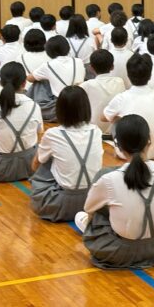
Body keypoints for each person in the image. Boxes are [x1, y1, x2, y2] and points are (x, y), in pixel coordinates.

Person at [75, 115, 154, 269]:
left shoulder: (109, 178)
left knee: (87, 215)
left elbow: (89, 209)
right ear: (149, 140)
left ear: (119, 146)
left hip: (118, 251)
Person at [30, 86, 104, 222]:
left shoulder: (53, 134)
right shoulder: (96, 131)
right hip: (92, 201)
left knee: (45, 159)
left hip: (59, 204)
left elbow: (35, 166)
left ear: (60, 110)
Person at [0, 62, 43, 182]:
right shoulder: (34, 106)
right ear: (24, 83)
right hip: (31, 167)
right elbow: (39, 134)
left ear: (0, 82)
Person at [103, 53, 154, 160]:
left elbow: (104, 117)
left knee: (117, 121)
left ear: (128, 75)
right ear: (150, 74)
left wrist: (118, 117)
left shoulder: (122, 98)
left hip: (127, 154)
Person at [28, 35, 87, 121]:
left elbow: (29, 78)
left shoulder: (48, 65)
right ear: (67, 47)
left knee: (39, 82)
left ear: (49, 51)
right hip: (80, 102)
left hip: (60, 105)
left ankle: (33, 108)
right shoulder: (78, 61)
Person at [78, 49, 126, 135]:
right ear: (112, 66)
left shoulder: (87, 85)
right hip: (114, 131)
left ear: (91, 68)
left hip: (92, 131)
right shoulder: (120, 81)